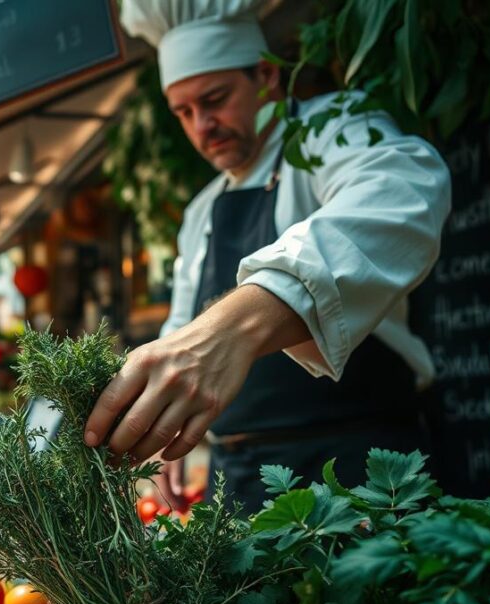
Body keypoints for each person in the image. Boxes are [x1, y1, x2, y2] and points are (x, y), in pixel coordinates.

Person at [86, 0, 452, 508]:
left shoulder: (330, 130)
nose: (201, 126)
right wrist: (168, 438)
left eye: (214, 99)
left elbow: (403, 190)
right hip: (236, 479)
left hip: (366, 467)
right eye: (184, 112)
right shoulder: (201, 212)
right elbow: (180, 329)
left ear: (265, 77)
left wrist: (233, 329)